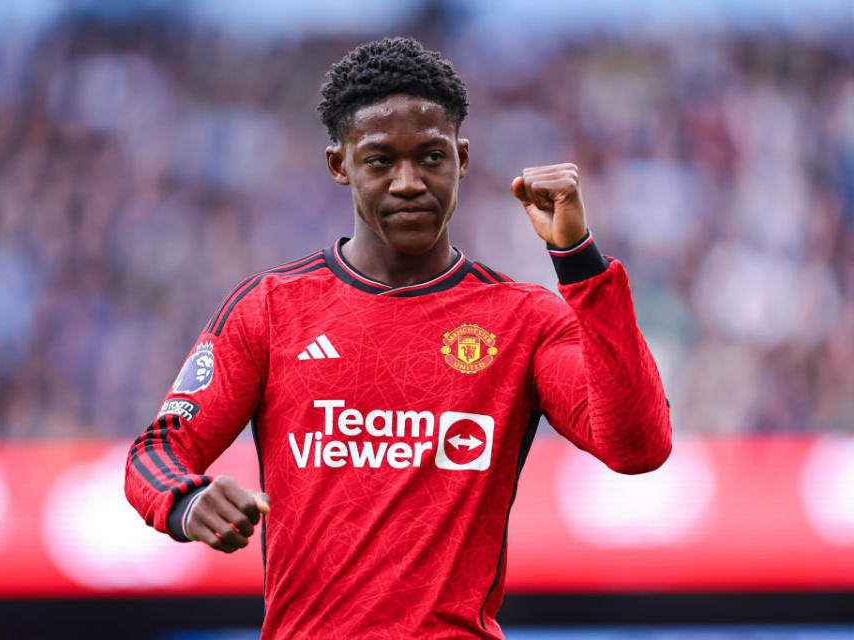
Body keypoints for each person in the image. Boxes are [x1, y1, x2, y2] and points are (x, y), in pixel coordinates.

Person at [125, 37, 671, 639]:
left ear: (462, 158)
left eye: (431, 157)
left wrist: (578, 259)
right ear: (340, 165)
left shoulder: (523, 320)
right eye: (380, 160)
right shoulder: (271, 309)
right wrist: (186, 501)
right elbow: (155, 453)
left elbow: (637, 446)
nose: (409, 182)